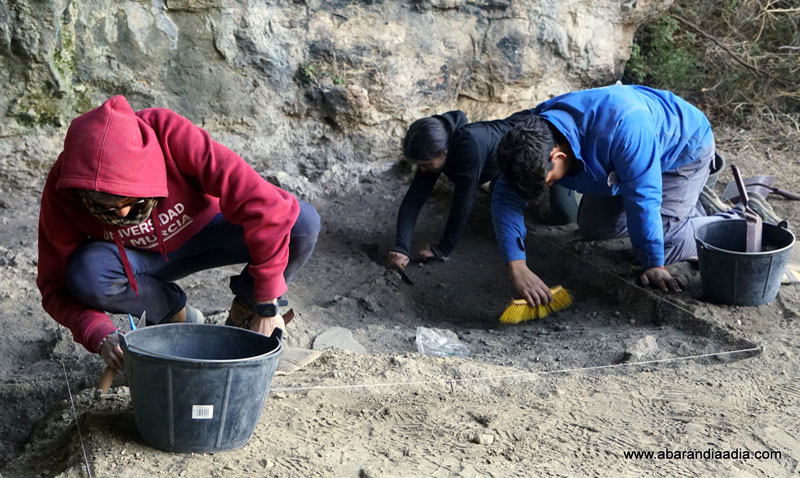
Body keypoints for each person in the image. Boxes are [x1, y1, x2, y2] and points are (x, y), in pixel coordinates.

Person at [37, 95, 320, 371]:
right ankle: (176, 317)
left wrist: (266, 304)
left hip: (214, 230)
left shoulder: (168, 134)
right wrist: (99, 334)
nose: (122, 215)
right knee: (87, 274)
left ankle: (246, 317)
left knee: (301, 224)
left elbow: (266, 206)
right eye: (105, 207)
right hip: (139, 262)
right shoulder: (64, 187)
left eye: (130, 202)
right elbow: (54, 287)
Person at [492, 84, 743, 306]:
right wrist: (517, 265)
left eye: (548, 181)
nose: (549, 186)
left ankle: (736, 222)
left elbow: (643, 200)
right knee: (594, 228)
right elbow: (506, 194)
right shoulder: (530, 135)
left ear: (557, 157)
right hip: (622, 164)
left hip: (683, 151)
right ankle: (684, 209)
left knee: (664, 242)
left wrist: (653, 264)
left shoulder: (624, 128)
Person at [387, 109, 568, 268]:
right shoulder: (435, 141)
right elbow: (414, 198)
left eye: (425, 164)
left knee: (563, 213)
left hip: (548, 152)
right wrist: (401, 247)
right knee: (501, 190)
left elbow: (463, 201)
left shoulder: (469, 146)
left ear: (445, 152)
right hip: (505, 162)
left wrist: (442, 249)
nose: (423, 169)